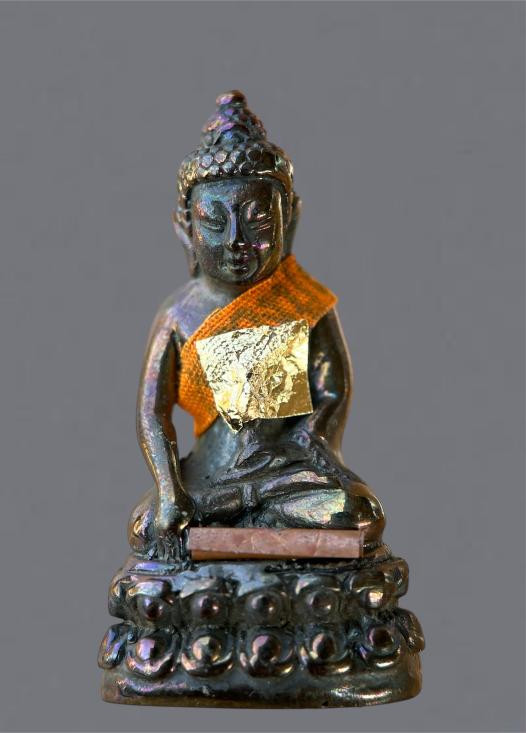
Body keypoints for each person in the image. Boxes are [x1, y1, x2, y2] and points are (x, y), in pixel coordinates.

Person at [129, 91, 385, 555]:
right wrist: (169, 490)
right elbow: (152, 411)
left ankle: (241, 510)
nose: (236, 241)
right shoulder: (180, 314)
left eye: (257, 221)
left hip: (288, 472)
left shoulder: (304, 302)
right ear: (185, 230)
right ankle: (236, 509)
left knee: (357, 514)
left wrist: (309, 440)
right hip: (210, 476)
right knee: (148, 526)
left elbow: (333, 390)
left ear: (290, 221)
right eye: (214, 222)